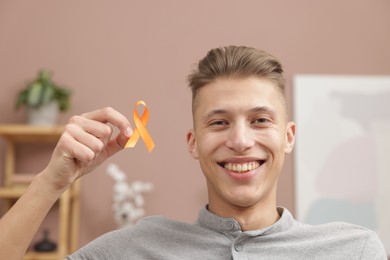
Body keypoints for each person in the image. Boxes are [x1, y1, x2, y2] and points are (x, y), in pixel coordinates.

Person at [0, 46, 387, 259]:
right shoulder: (132, 250)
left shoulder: (353, 250)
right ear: (193, 142)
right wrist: (50, 182)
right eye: (218, 122)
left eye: (260, 120)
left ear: (288, 136)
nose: (239, 140)